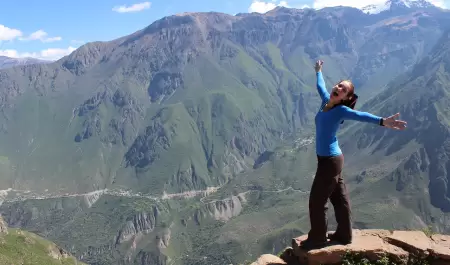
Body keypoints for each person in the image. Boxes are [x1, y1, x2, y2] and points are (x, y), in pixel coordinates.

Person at [300, 60, 407, 251]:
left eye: (343, 89)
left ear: (345, 98)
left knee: (317, 201)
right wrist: (318, 71)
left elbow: (362, 116)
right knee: (339, 199)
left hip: (330, 162)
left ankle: (317, 239)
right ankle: (344, 234)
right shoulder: (326, 101)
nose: (338, 88)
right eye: (339, 85)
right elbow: (320, 86)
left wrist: (383, 121)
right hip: (331, 160)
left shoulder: (341, 110)